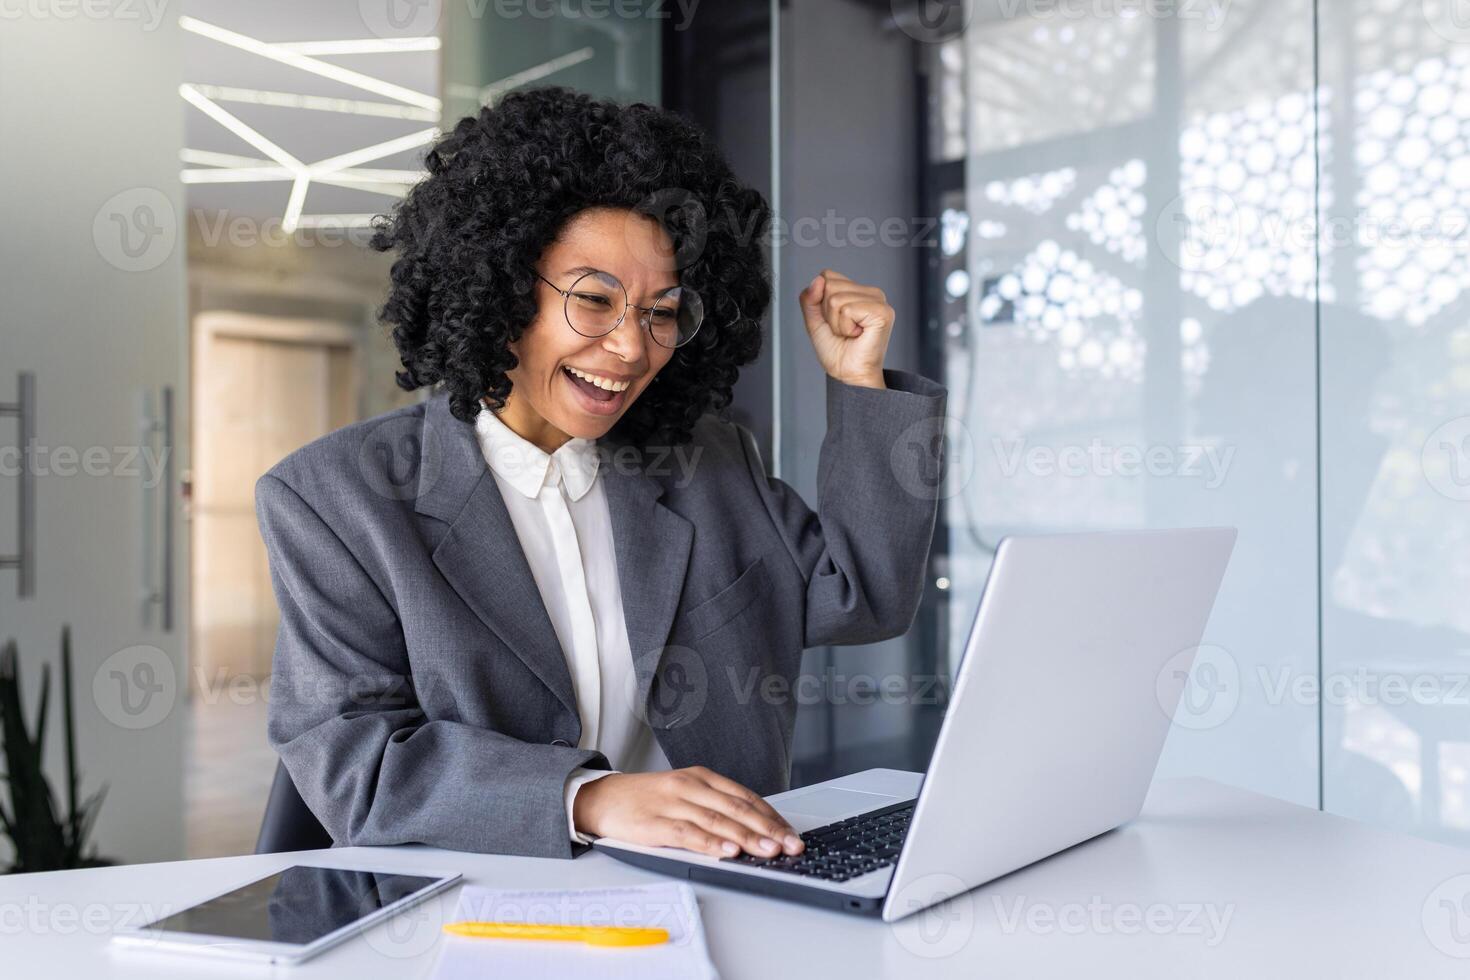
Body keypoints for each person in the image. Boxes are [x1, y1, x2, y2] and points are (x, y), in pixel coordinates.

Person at [256, 86, 947, 861]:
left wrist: (861, 386)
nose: (631, 348)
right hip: (475, 913)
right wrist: (589, 798)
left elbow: (865, 600)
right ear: (501, 290)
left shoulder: (703, 460)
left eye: (661, 311)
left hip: (724, 889)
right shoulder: (337, 497)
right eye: (594, 300)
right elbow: (356, 762)